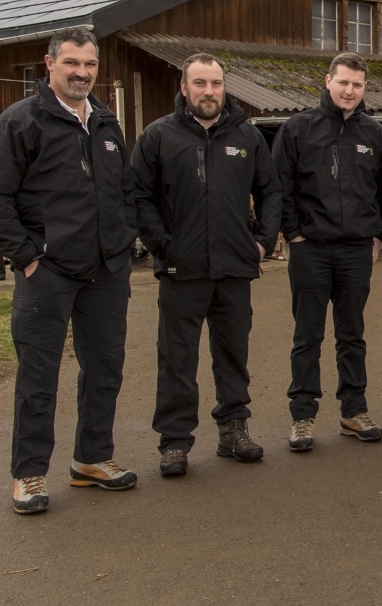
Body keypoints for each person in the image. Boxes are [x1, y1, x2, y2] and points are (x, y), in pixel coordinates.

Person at [0, 27, 139, 514]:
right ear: (49, 64)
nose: (82, 73)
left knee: (105, 368)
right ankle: (28, 473)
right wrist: (26, 256)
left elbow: (124, 190)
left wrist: (123, 236)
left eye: (89, 64)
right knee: (39, 376)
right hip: (47, 272)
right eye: (71, 63)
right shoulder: (20, 123)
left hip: (106, 270)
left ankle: (92, 459)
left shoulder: (106, 124)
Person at [131, 53, 281, 477]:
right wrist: (164, 246)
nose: (209, 91)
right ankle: (175, 442)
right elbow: (138, 196)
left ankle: (234, 430)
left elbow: (271, 191)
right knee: (177, 358)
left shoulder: (246, 136)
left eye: (216, 83)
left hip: (234, 266)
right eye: (200, 83)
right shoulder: (159, 135)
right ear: (184, 88)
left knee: (233, 354)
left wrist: (262, 243)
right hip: (182, 269)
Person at [273, 52, 382, 451]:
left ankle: (354, 410)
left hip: (356, 250)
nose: (349, 91)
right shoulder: (298, 128)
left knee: (352, 334)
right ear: (328, 81)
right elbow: (280, 185)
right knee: (307, 335)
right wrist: (294, 234)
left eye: (357, 84)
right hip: (312, 249)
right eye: (343, 82)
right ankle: (302, 416)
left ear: (365, 87)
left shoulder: (374, 134)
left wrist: (377, 235)